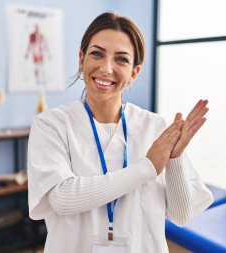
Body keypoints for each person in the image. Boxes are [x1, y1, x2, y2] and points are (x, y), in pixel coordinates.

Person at [28, 12, 213, 253]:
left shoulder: (155, 127)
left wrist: (174, 160)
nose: (106, 68)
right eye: (97, 54)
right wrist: (148, 167)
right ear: (81, 59)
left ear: (134, 72)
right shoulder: (50, 124)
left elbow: (181, 214)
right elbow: (63, 199)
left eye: (121, 60)